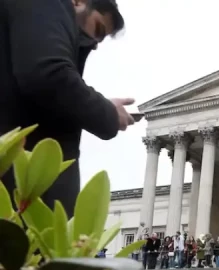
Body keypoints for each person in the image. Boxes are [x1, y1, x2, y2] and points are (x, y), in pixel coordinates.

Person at [0, 0, 134, 218]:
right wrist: (108, 114)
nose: (94, 44)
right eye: (98, 29)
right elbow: (49, 74)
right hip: (20, 201)